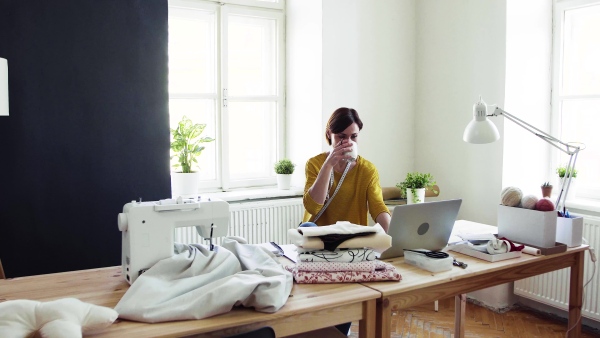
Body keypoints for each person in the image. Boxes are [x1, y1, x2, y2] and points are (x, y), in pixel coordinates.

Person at [302, 106, 391, 232]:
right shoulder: (315, 164)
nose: (348, 142)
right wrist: (327, 166)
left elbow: (377, 206)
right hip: (318, 238)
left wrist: (393, 235)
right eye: (342, 137)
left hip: (352, 239)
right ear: (329, 134)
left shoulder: (367, 169)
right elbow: (312, 207)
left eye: (354, 136)